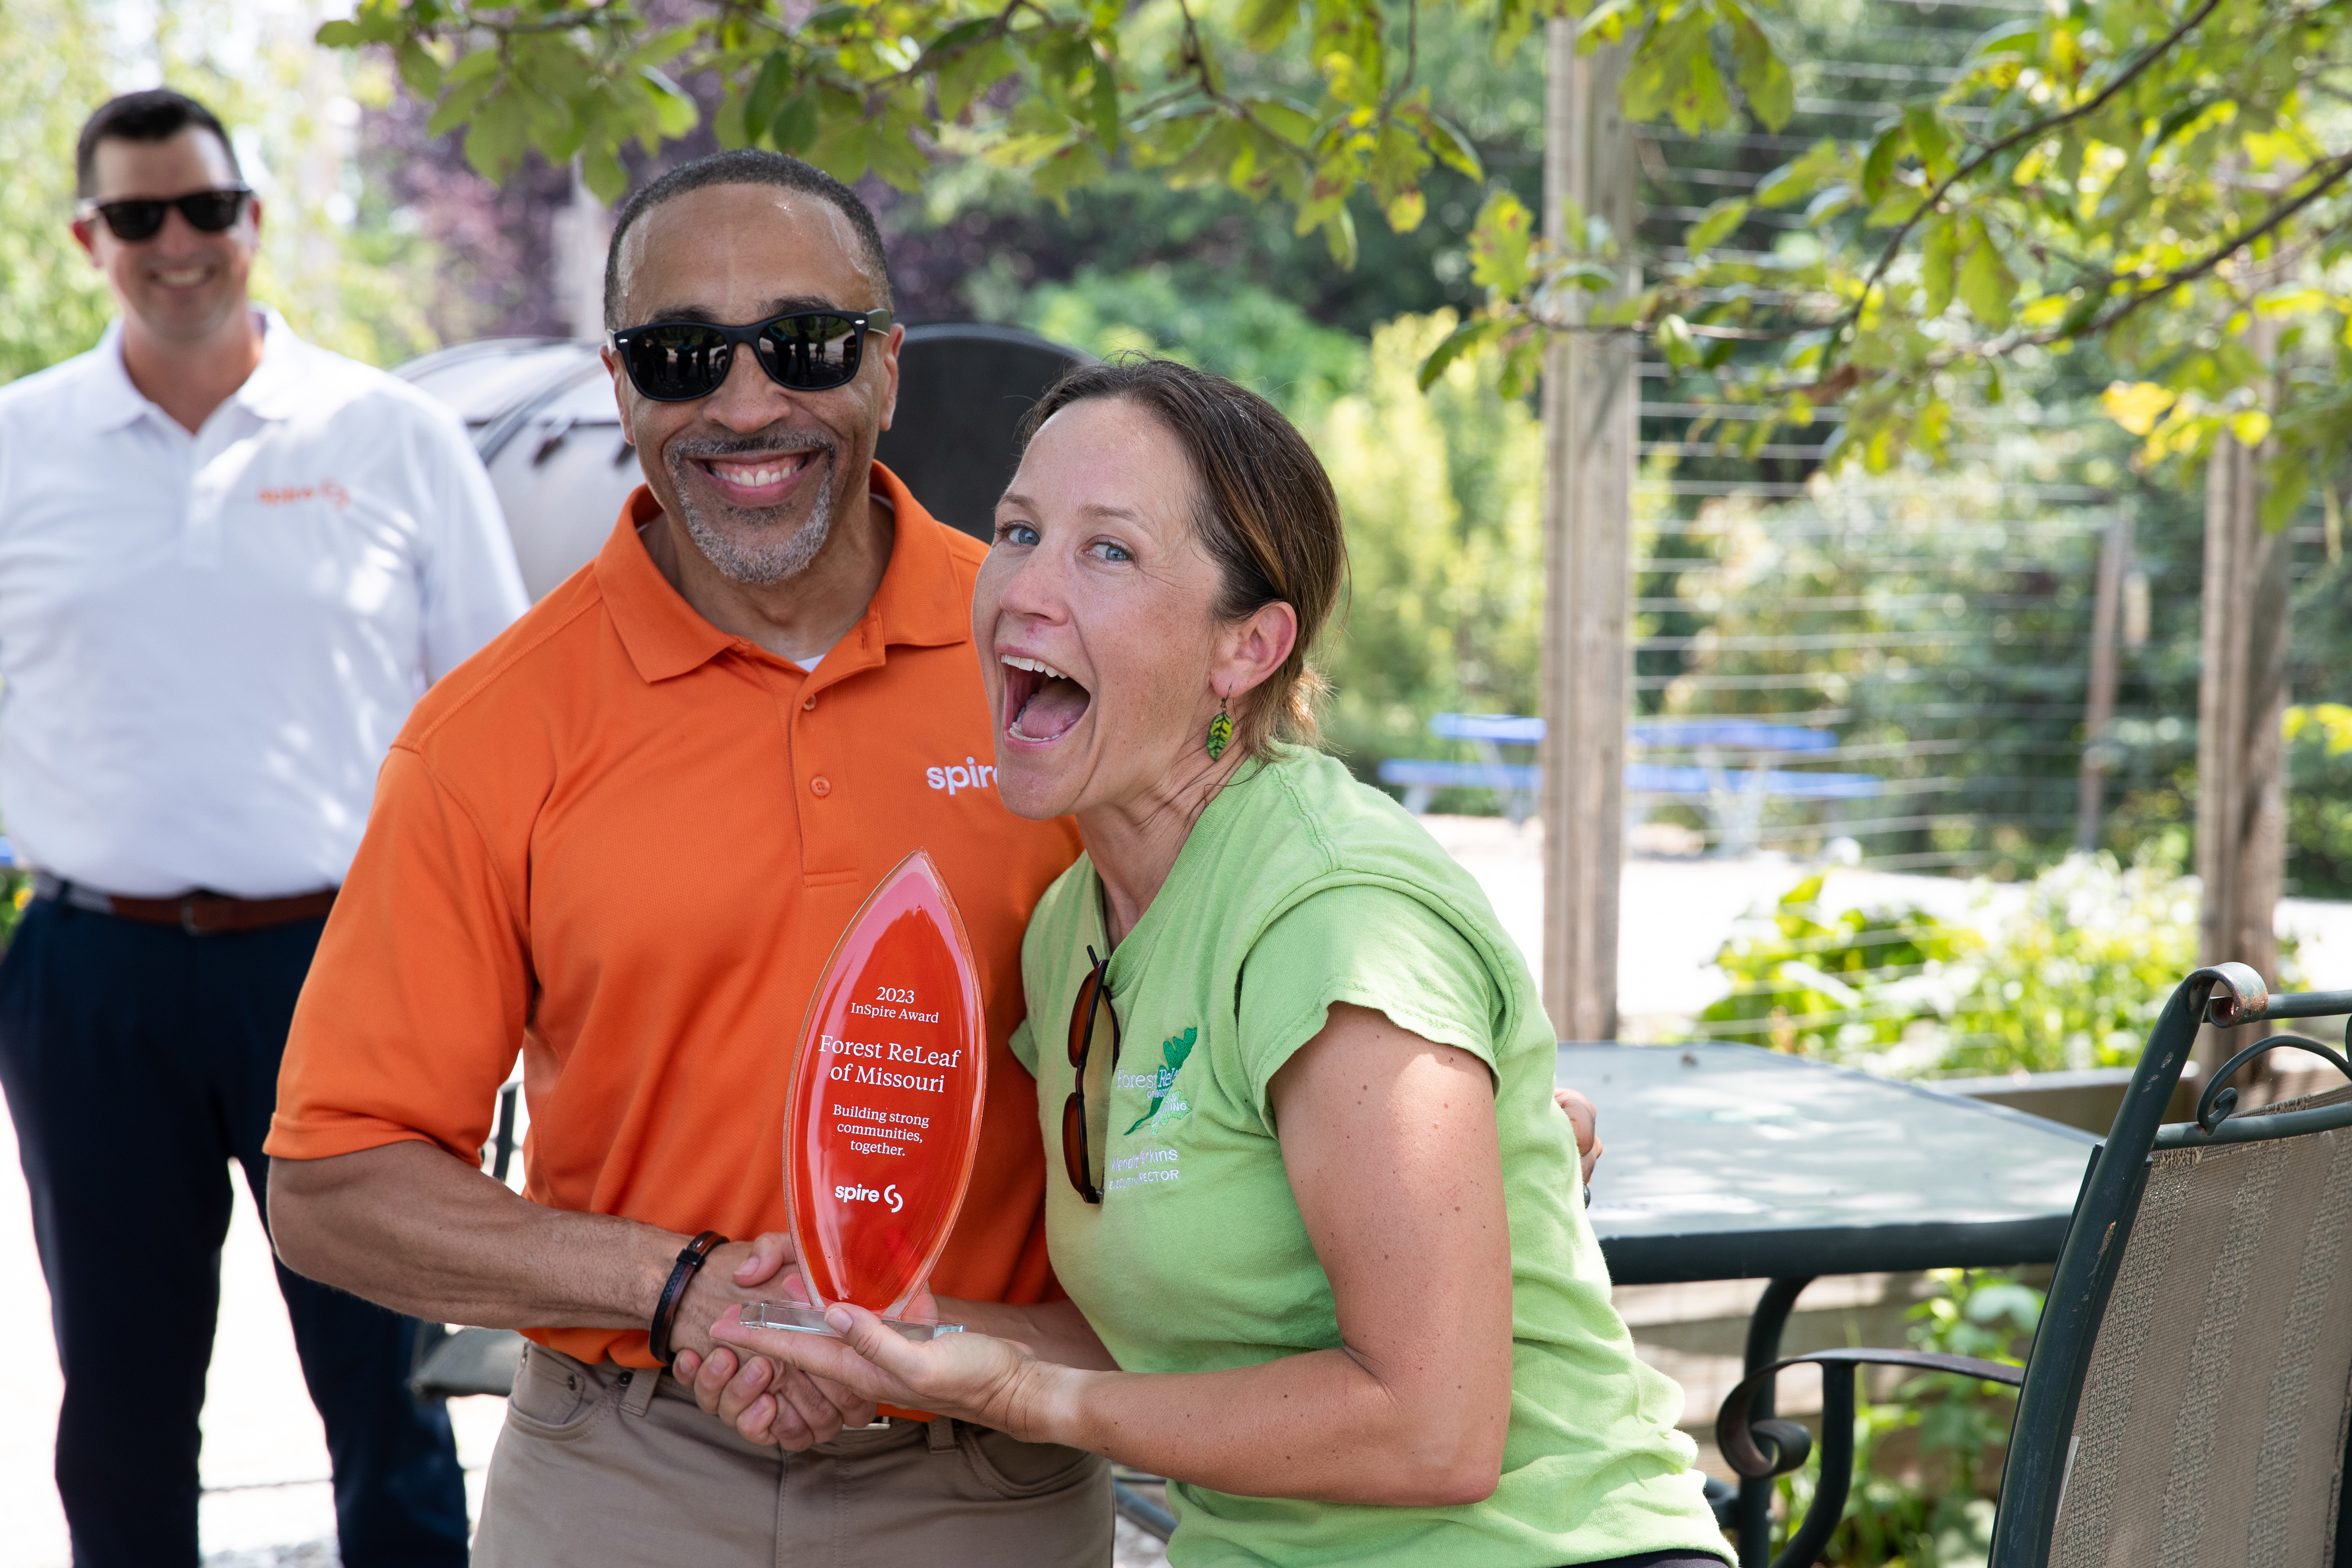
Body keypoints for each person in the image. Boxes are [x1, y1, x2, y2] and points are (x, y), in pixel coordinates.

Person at [714, 358, 1732, 1567]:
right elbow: (1189, 1356)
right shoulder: (1073, 925)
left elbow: (1431, 1428)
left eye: (1108, 553)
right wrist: (879, 1336)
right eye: (1019, 531)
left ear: (1247, 647)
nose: (1024, 590)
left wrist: (1023, 1400)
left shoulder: (1335, 911)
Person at [262, 148, 1117, 1566]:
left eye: (804, 343)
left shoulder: (1049, 653)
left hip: (991, 1466)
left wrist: (1462, 1079)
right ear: (619, 383)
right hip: (624, 1470)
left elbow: (1273, 921)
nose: (744, 402)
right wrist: (676, 1286)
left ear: (888, 367)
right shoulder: (488, 733)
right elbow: (333, 1177)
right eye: (680, 354)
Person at [0, 89, 529, 1567]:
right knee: (116, 1390)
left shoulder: (391, 432)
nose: (180, 245)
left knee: (386, 1388)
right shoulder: (16, 442)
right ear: (89, 236)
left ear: (255, 220)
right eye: (141, 217)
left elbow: (496, 723)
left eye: (208, 209)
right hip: (87, 974)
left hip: (342, 965)